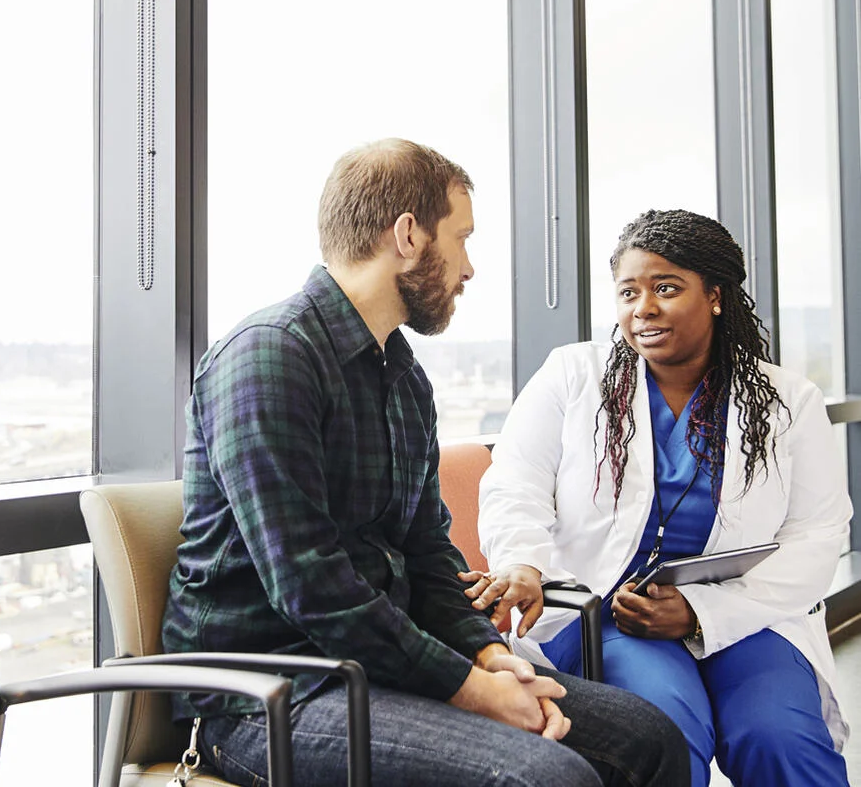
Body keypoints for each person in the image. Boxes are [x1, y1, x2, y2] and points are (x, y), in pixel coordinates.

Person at [162, 139, 688, 787]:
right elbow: (310, 586)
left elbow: (431, 559)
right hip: (268, 696)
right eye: (462, 238)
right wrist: (472, 688)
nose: (469, 267)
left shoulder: (404, 381)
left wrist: (491, 656)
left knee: (650, 740)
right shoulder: (269, 358)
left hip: (378, 671)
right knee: (549, 779)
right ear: (408, 236)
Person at [474, 208, 852, 787]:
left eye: (666, 289)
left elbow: (818, 535)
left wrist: (702, 614)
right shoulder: (574, 376)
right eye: (628, 292)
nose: (642, 309)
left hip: (743, 614)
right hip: (607, 615)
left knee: (779, 735)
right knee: (666, 725)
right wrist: (522, 560)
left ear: (717, 296)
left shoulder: (787, 401)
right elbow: (514, 482)